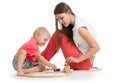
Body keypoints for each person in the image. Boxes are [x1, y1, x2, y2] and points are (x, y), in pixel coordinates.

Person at [41, 2, 100, 70]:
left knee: (59, 34)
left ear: (69, 13)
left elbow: (96, 48)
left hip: (83, 63)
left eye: (61, 18)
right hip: (81, 60)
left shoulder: (80, 28)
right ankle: (38, 60)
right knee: (59, 33)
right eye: (58, 20)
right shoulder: (73, 24)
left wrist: (78, 59)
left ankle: (39, 61)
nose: (60, 22)